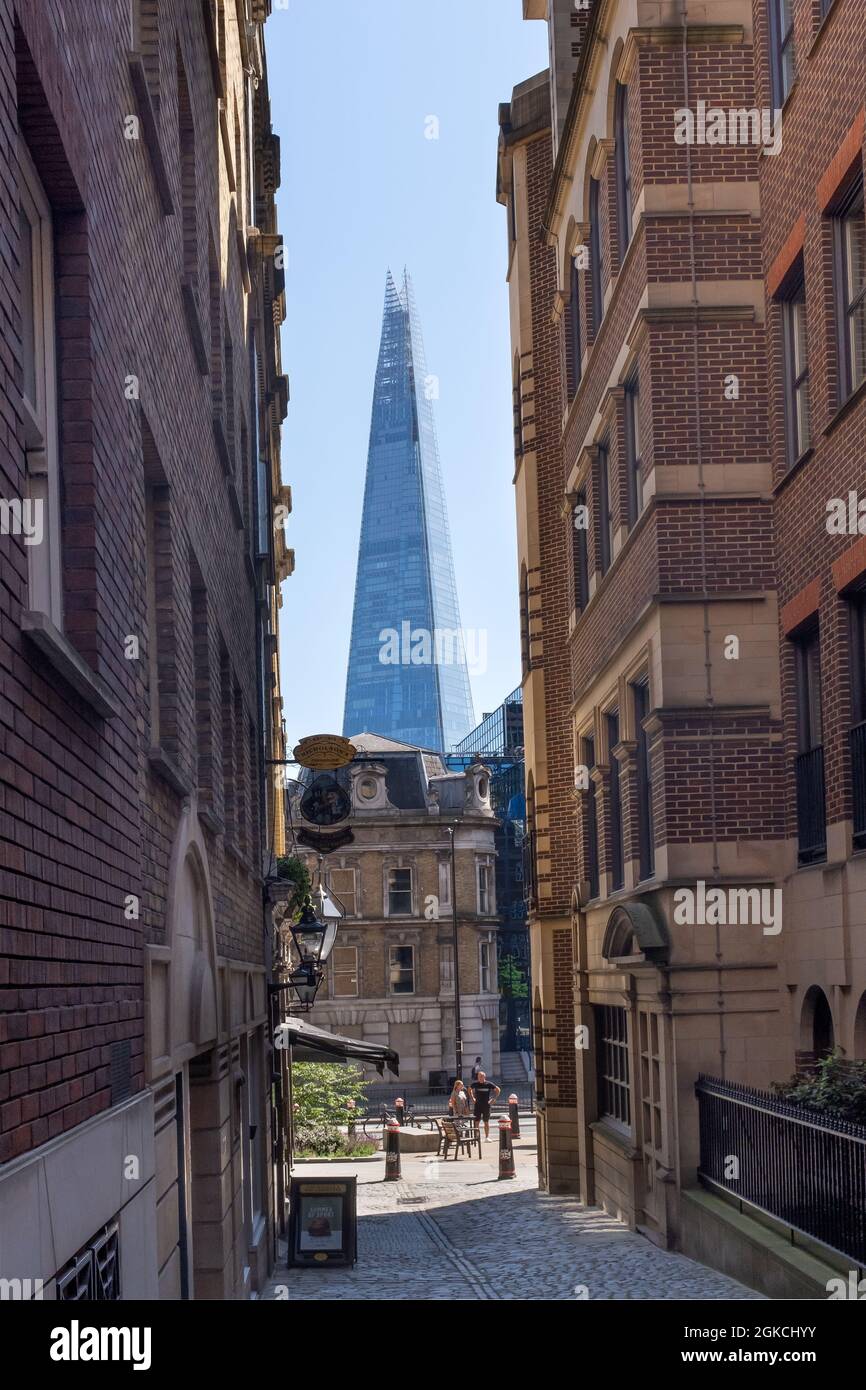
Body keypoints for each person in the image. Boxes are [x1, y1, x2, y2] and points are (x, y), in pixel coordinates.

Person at [468, 1070, 500, 1140]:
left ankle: (487, 1137)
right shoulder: (475, 1084)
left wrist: (493, 1099)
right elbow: (469, 1089)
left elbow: (498, 1090)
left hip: (486, 1105)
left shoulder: (488, 1084)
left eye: (481, 1076)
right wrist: (472, 1098)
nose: (480, 1078)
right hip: (477, 1105)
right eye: (479, 1076)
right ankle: (477, 1137)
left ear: (484, 1077)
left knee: (486, 1121)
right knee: (476, 1121)